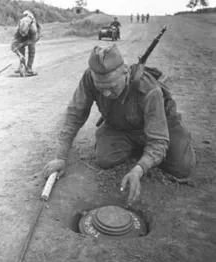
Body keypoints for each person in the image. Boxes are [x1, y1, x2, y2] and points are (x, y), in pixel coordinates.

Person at [42, 44, 196, 205]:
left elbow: (158, 140)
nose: (106, 93)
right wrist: (60, 157)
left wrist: (139, 169)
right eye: (101, 88)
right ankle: (141, 147)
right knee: (105, 159)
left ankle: (172, 142)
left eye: (112, 87)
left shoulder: (149, 90)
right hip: (121, 125)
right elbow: (75, 114)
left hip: (161, 123)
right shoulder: (90, 77)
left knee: (182, 167)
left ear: (125, 73)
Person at [11, 10, 41, 76]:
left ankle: (29, 68)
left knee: (32, 47)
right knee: (20, 46)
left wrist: (22, 43)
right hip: (25, 28)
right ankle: (22, 66)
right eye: (21, 33)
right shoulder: (17, 29)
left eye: (24, 33)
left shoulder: (33, 29)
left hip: (32, 36)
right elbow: (13, 46)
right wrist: (19, 54)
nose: (22, 35)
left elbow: (33, 40)